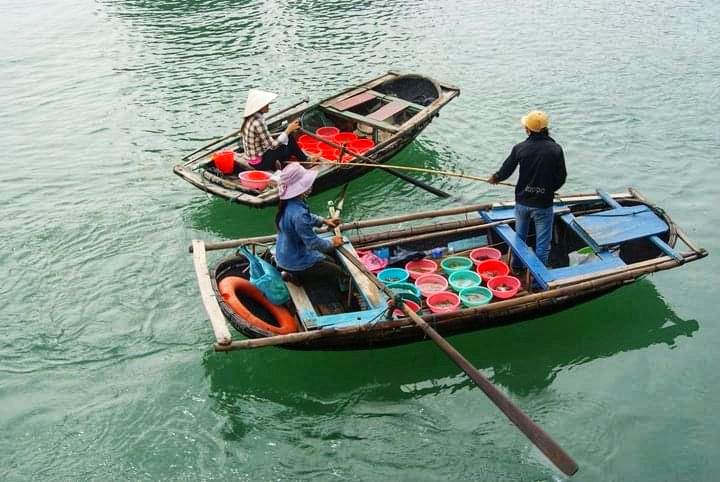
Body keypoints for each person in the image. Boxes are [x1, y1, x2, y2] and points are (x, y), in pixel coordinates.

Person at [489, 110, 567, 269]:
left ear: (528, 129)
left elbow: (506, 170)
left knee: (520, 239)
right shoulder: (555, 149)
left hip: (523, 202)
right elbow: (561, 177)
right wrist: (549, 190)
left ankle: (517, 268)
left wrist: (495, 178)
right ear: (546, 129)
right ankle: (539, 279)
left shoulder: (520, 148)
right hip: (543, 204)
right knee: (543, 244)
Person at [274, 163, 345, 286]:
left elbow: (306, 218)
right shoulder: (299, 214)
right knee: (337, 271)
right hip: (295, 261)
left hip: (284, 255)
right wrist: (332, 243)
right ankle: (297, 278)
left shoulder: (289, 203)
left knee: (330, 260)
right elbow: (312, 243)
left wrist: (324, 221)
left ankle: (293, 274)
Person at [237, 89, 318, 172]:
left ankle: (301, 159)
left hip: (254, 157)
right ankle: (306, 160)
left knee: (287, 141)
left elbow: (265, 141)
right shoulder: (258, 122)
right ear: (259, 107)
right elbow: (273, 146)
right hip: (259, 163)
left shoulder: (249, 118)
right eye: (266, 104)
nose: (268, 105)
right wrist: (288, 130)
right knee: (288, 142)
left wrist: (286, 132)